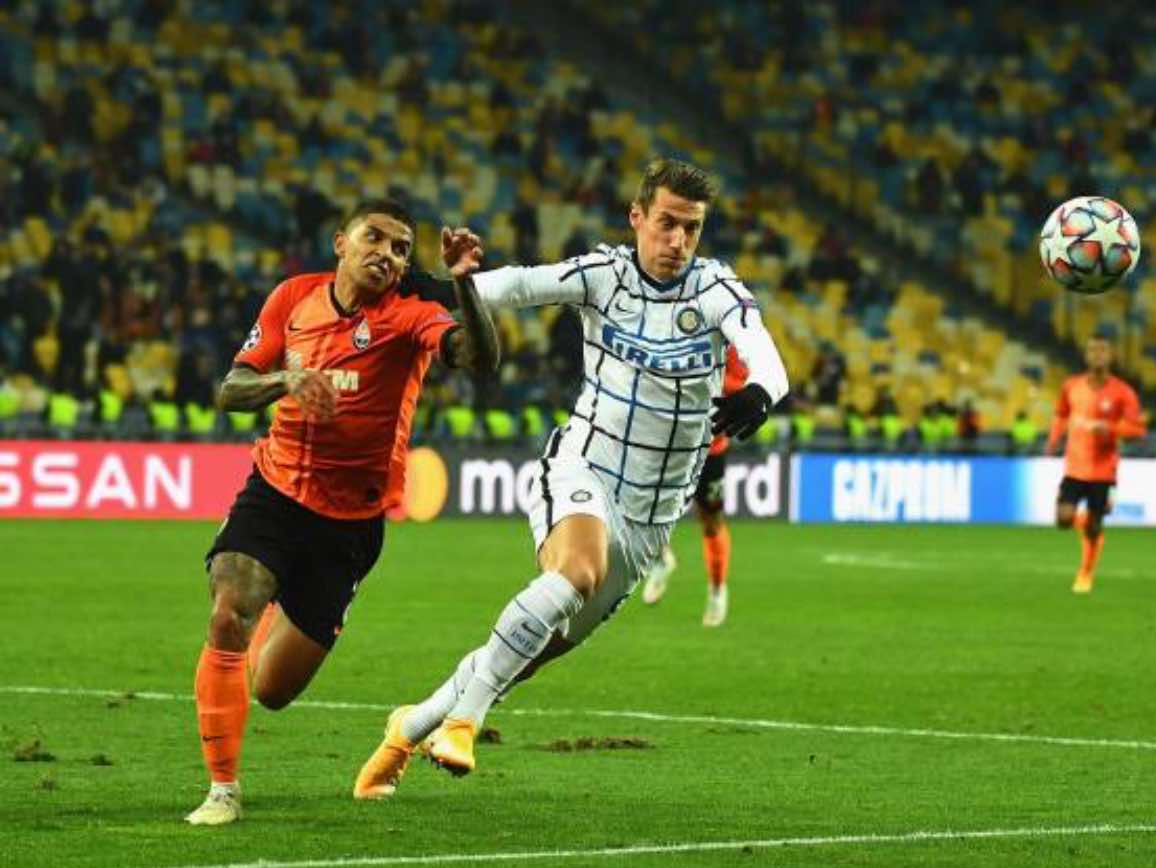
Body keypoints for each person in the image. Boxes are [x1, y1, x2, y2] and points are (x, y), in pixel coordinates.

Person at [353, 158, 788, 799]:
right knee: (577, 570)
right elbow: (516, 286)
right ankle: (464, 723)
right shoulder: (603, 276)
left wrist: (760, 393)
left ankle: (409, 727)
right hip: (584, 467)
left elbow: (767, 356)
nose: (677, 241)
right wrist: (445, 283)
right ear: (637, 218)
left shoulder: (715, 288)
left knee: (526, 654)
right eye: (666, 223)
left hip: (650, 518)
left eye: (691, 228)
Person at [186, 199, 500, 826]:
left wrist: (464, 283)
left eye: (401, 248)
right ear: (341, 242)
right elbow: (231, 390)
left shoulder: (411, 315)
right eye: (374, 238)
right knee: (229, 611)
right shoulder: (293, 298)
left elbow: (479, 358)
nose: (386, 254)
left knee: (273, 690)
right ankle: (222, 790)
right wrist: (285, 381)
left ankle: (274, 602)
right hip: (275, 491)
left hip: (350, 525)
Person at [639, 345, 748, 627]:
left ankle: (717, 589)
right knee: (644, 509)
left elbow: (743, 385)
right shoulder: (675, 330)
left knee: (711, 522)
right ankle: (661, 561)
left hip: (711, 449)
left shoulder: (732, 341)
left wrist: (705, 378)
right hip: (669, 442)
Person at [1045, 334, 1145, 595]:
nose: (1098, 355)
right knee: (1063, 519)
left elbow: (1137, 428)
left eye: (1103, 350)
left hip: (1104, 470)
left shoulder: (1123, 392)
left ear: (1111, 356)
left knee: (1094, 527)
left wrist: (1111, 429)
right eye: (1093, 350)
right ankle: (1088, 522)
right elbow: (1061, 414)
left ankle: (1085, 573)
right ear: (1086, 355)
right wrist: (1053, 439)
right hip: (1075, 467)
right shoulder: (1071, 386)